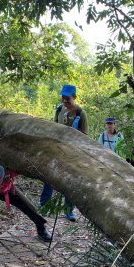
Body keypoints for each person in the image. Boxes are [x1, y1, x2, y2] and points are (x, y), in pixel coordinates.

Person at [40, 83, 88, 221]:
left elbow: (84, 135)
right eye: (63, 97)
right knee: (48, 177)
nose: (65, 100)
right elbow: (54, 127)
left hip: (73, 153)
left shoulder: (80, 113)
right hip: (56, 150)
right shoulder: (59, 110)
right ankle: (44, 206)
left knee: (70, 182)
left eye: (68, 98)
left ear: (74, 97)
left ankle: (69, 211)